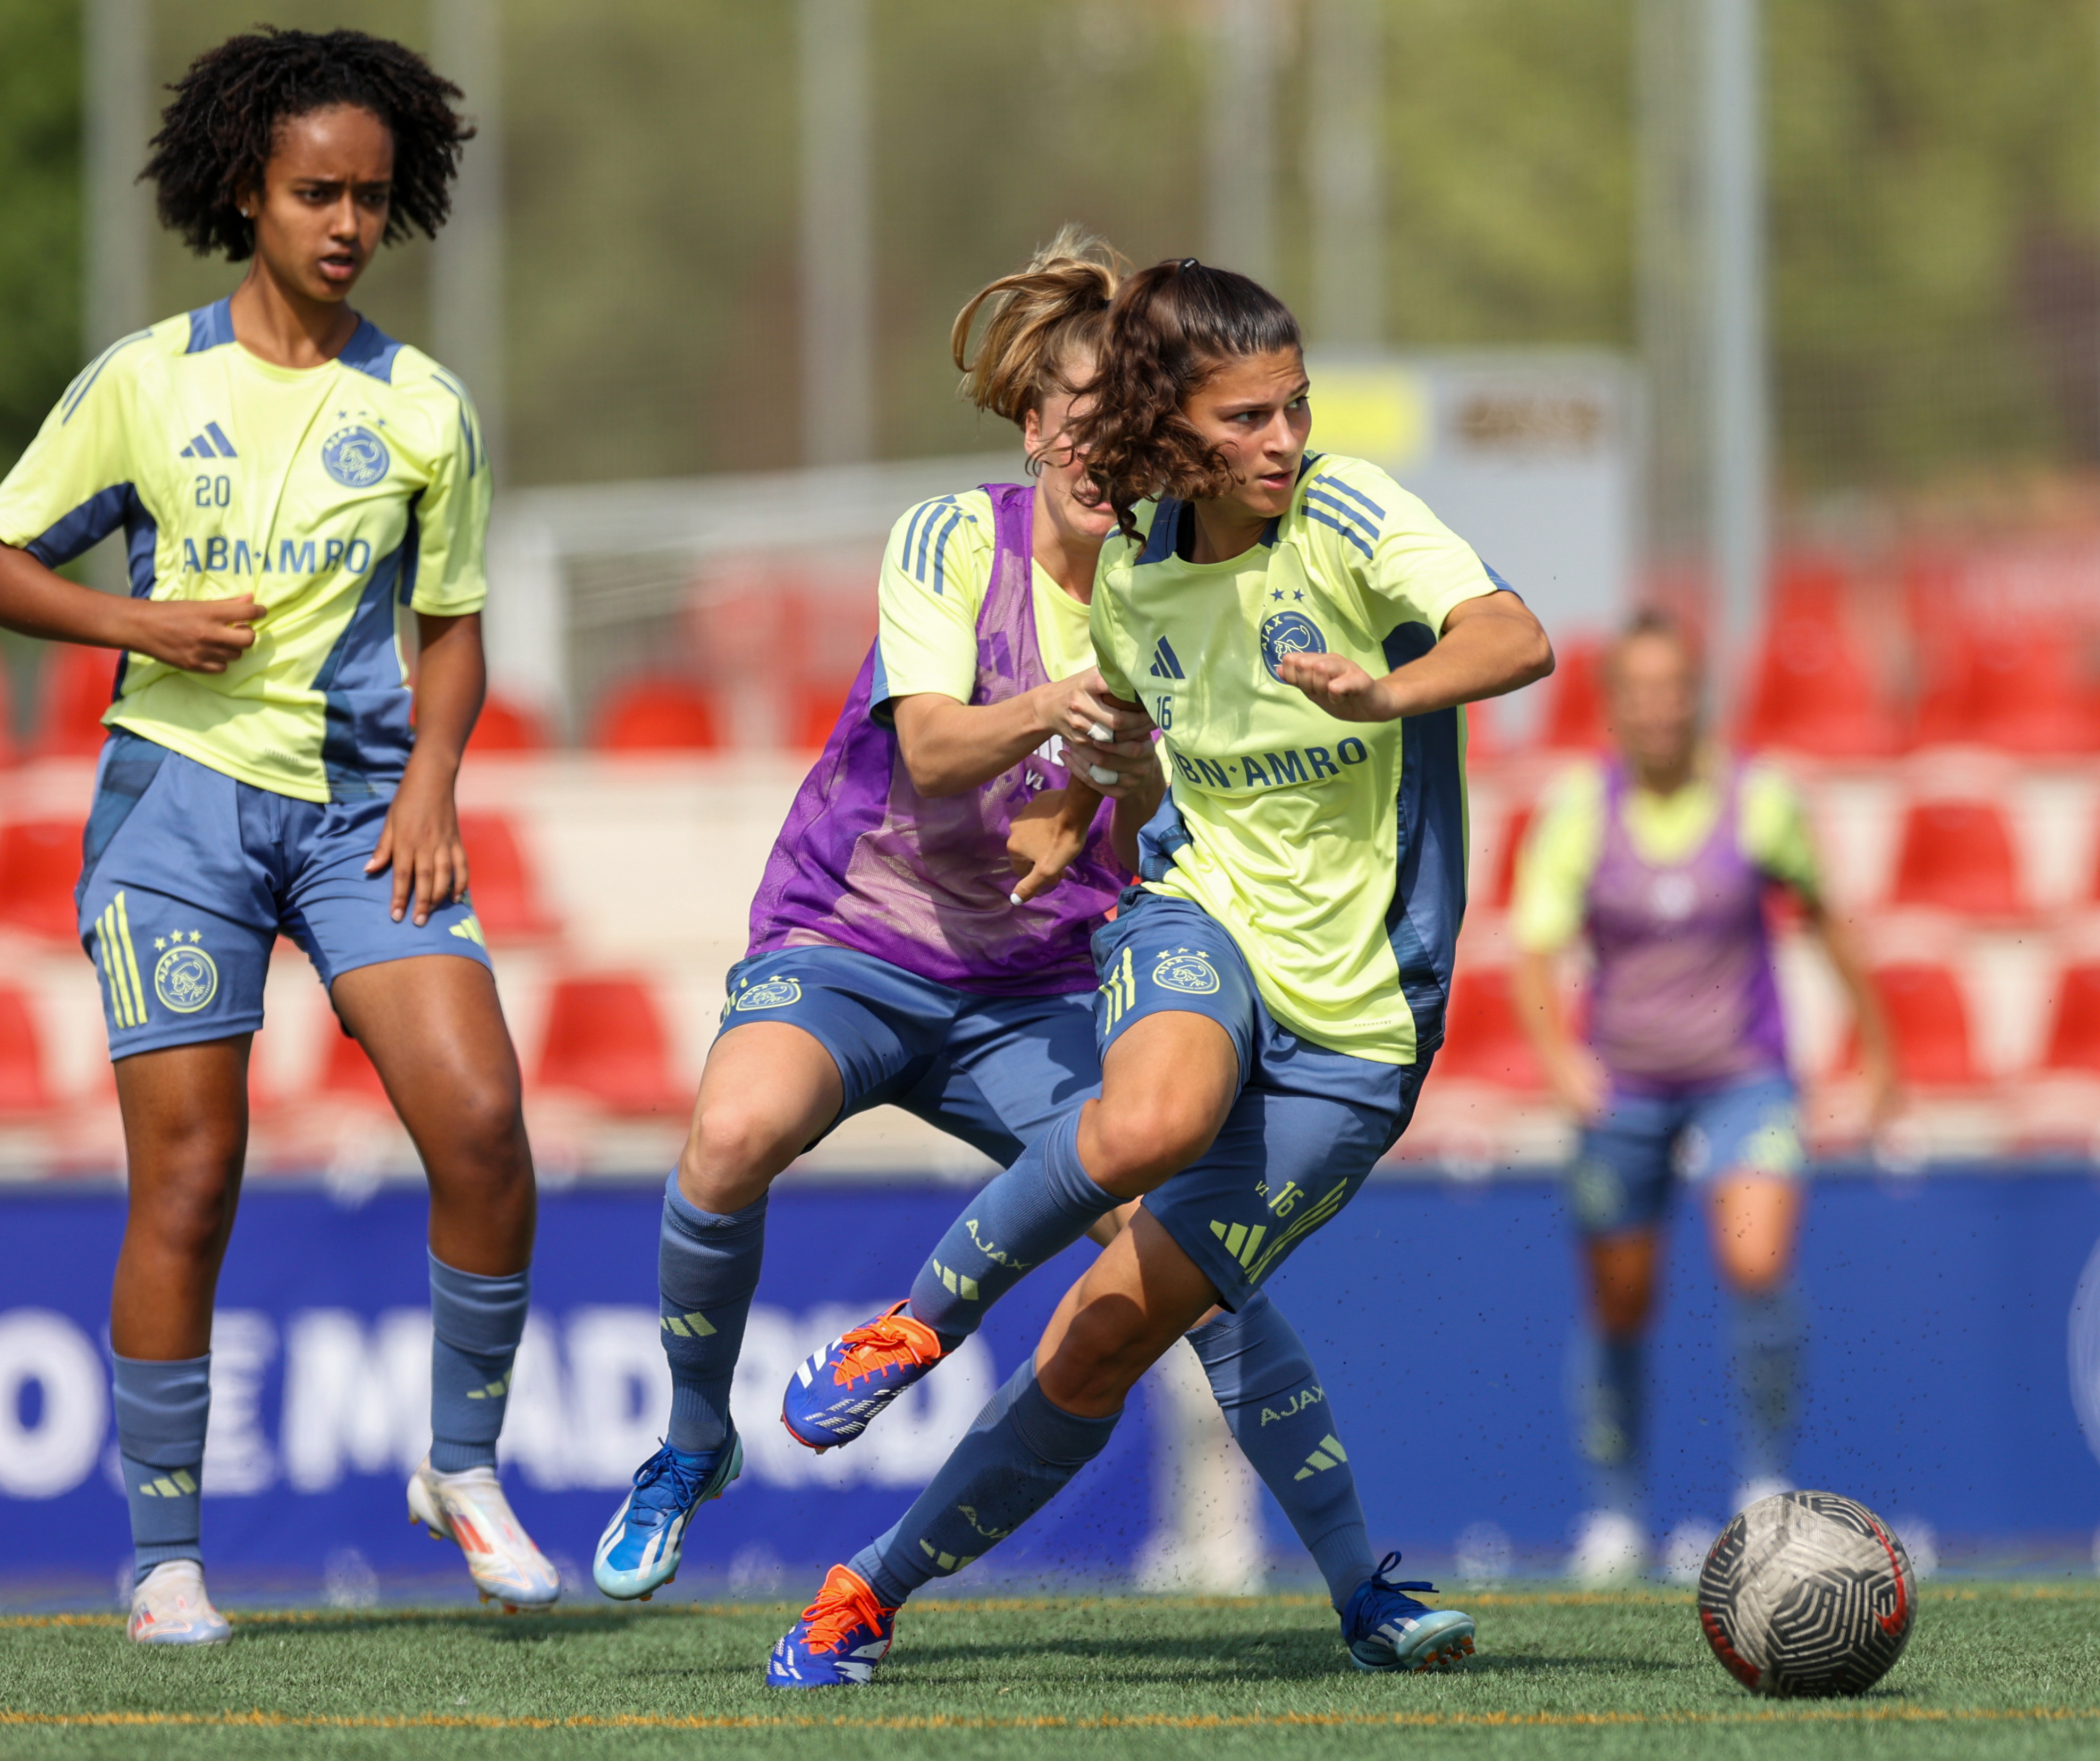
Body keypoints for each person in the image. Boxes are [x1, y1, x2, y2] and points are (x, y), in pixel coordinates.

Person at [589, 232, 1401, 1625]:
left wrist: (1118, 770)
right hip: (851, 940)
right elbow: (932, 752)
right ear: (1033, 427)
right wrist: (1066, 710)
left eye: (1122, 433)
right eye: (1073, 425)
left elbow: (1157, 787)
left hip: (1034, 989)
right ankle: (687, 1442)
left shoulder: (1175, 591)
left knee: (1191, 1261)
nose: (1096, 455)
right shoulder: (951, 536)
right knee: (729, 1136)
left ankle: (1359, 1585)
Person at [772, 258, 1555, 1686]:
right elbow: (1133, 702)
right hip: (1197, 919)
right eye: (1247, 417)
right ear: (1176, 429)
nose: (1282, 442)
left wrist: (1389, 688)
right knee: (1147, 1122)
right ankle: (910, 1326)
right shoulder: (1135, 574)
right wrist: (1078, 802)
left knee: (1099, 1344)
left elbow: (1514, 634)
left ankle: (865, 1591)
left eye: (1293, 407)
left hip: (1366, 1026)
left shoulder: (1351, 509)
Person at [0, 28, 552, 1643]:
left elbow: (455, 624)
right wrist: (132, 615)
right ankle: (162, 1564)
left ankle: (459, 1469)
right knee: (193, 1178)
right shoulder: (149, 379)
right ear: (248, 193)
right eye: (314, 193)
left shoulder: (428, 409)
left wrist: (434, 773)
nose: (346, 222)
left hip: (367, 814)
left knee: (486, 1126)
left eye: (369, 195)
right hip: (179, 811)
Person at [1507, 613, 1900, 1584]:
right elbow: (1535, 950)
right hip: (1625, 1088)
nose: (1656, 708)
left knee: (1757, 1259)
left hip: (1743, 1078)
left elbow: (1827, 922)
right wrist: (1562, 1061)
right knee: (1621, 1304)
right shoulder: (1581, 808)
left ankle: (1762, 1483)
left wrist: (1880, 1055)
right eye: (1635, 691)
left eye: (1671, 688)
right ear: (1614, 708)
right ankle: (1615, 1514)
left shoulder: (1760, 800)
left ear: (1697, 696)